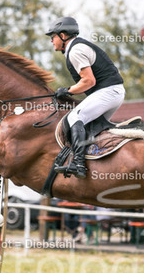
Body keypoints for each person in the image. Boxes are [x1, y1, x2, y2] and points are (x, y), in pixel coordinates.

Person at [46, 17, 126, 179]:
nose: (51, 41)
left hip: (108, 92)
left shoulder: (75, 50)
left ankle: (79, 164)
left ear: (63, 35)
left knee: (75, 117)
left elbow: (89, 81)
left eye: (53, 37)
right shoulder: (77, 47)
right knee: (89, 126)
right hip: (112, 92)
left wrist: (68, 90)